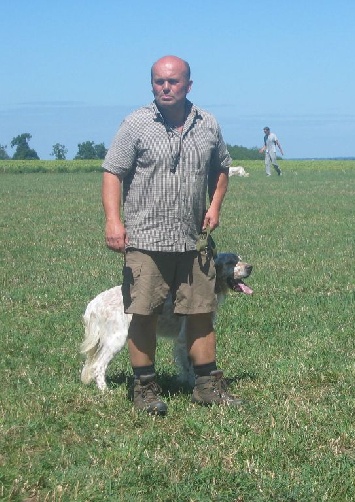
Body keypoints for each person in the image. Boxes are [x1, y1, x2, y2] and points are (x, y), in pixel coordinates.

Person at [102, 55, 242, 415]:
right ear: (152, 85)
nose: (166, 87)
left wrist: (215, 206)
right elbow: (112, 172)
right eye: (159, 81)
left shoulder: (207, 123)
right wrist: (113, 222)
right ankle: (145, 390)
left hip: (194, 242)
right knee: (144, 314)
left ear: (188, 86)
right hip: (146, 241)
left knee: (201, 313)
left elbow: (222, 167)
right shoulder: (135, 124)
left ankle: (207, 385)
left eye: (174, 82)